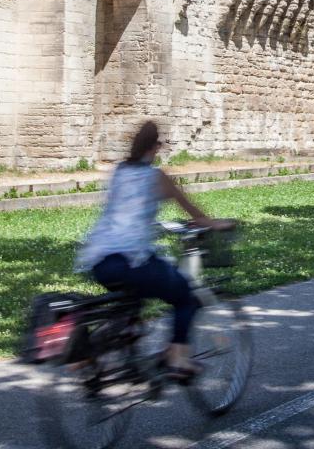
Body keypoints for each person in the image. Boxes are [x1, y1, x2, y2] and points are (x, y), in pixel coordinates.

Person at [76, 121, 234, 377]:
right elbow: (196, 215)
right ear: (155, 147)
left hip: (100, 260)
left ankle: (92, 351)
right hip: (134, 261)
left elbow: (126, 213)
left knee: (129, 307)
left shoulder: (119, 171)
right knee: (185, 297)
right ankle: (177, 359)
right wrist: (219, 224)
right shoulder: (157, 177)